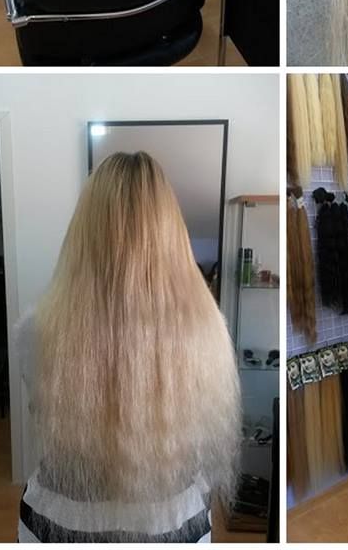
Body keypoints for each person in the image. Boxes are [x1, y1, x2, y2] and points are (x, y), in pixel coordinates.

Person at [14, 152, 240, 542]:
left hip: (61, 524)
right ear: (171, 232)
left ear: (83, 231)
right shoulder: (208, 331)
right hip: (174, 525)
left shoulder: (35, 332)